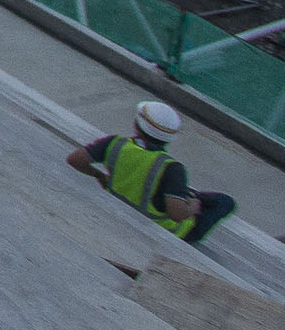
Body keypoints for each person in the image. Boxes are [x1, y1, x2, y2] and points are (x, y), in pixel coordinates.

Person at [71, 101, 236, 244]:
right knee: (225, 202)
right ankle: (188, 196)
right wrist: (191, 208)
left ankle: (185, 193)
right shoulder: (172, 168)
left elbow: (75, 159)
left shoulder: (114, 143)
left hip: (118, 208)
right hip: (164, 232)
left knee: (184, 192)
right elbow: (177, 214)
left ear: (137, 126)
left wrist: (100, 175)